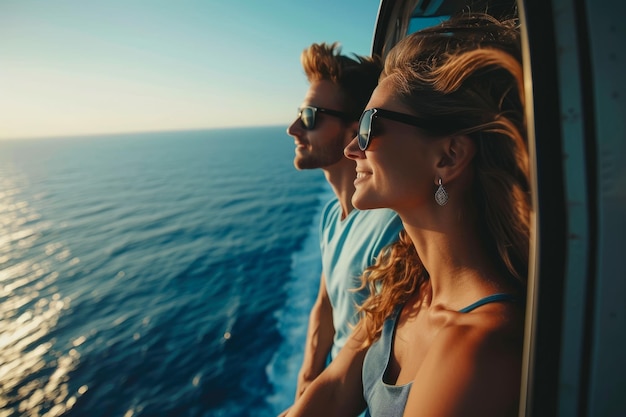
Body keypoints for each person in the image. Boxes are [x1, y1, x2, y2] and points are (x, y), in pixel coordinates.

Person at [282, 13, 530, 417]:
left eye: (369, 125)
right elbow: (329, 393)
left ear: (448, 156)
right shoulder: (405, 279)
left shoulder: (481, 349)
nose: (352, 149)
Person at [285, 43, 404, 401]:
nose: (293, 128)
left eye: (310, 116)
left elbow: (370, 352)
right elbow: (325, 307)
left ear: (355, 130)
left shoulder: (392, 225)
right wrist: (305, 382)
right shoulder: (331, 216)